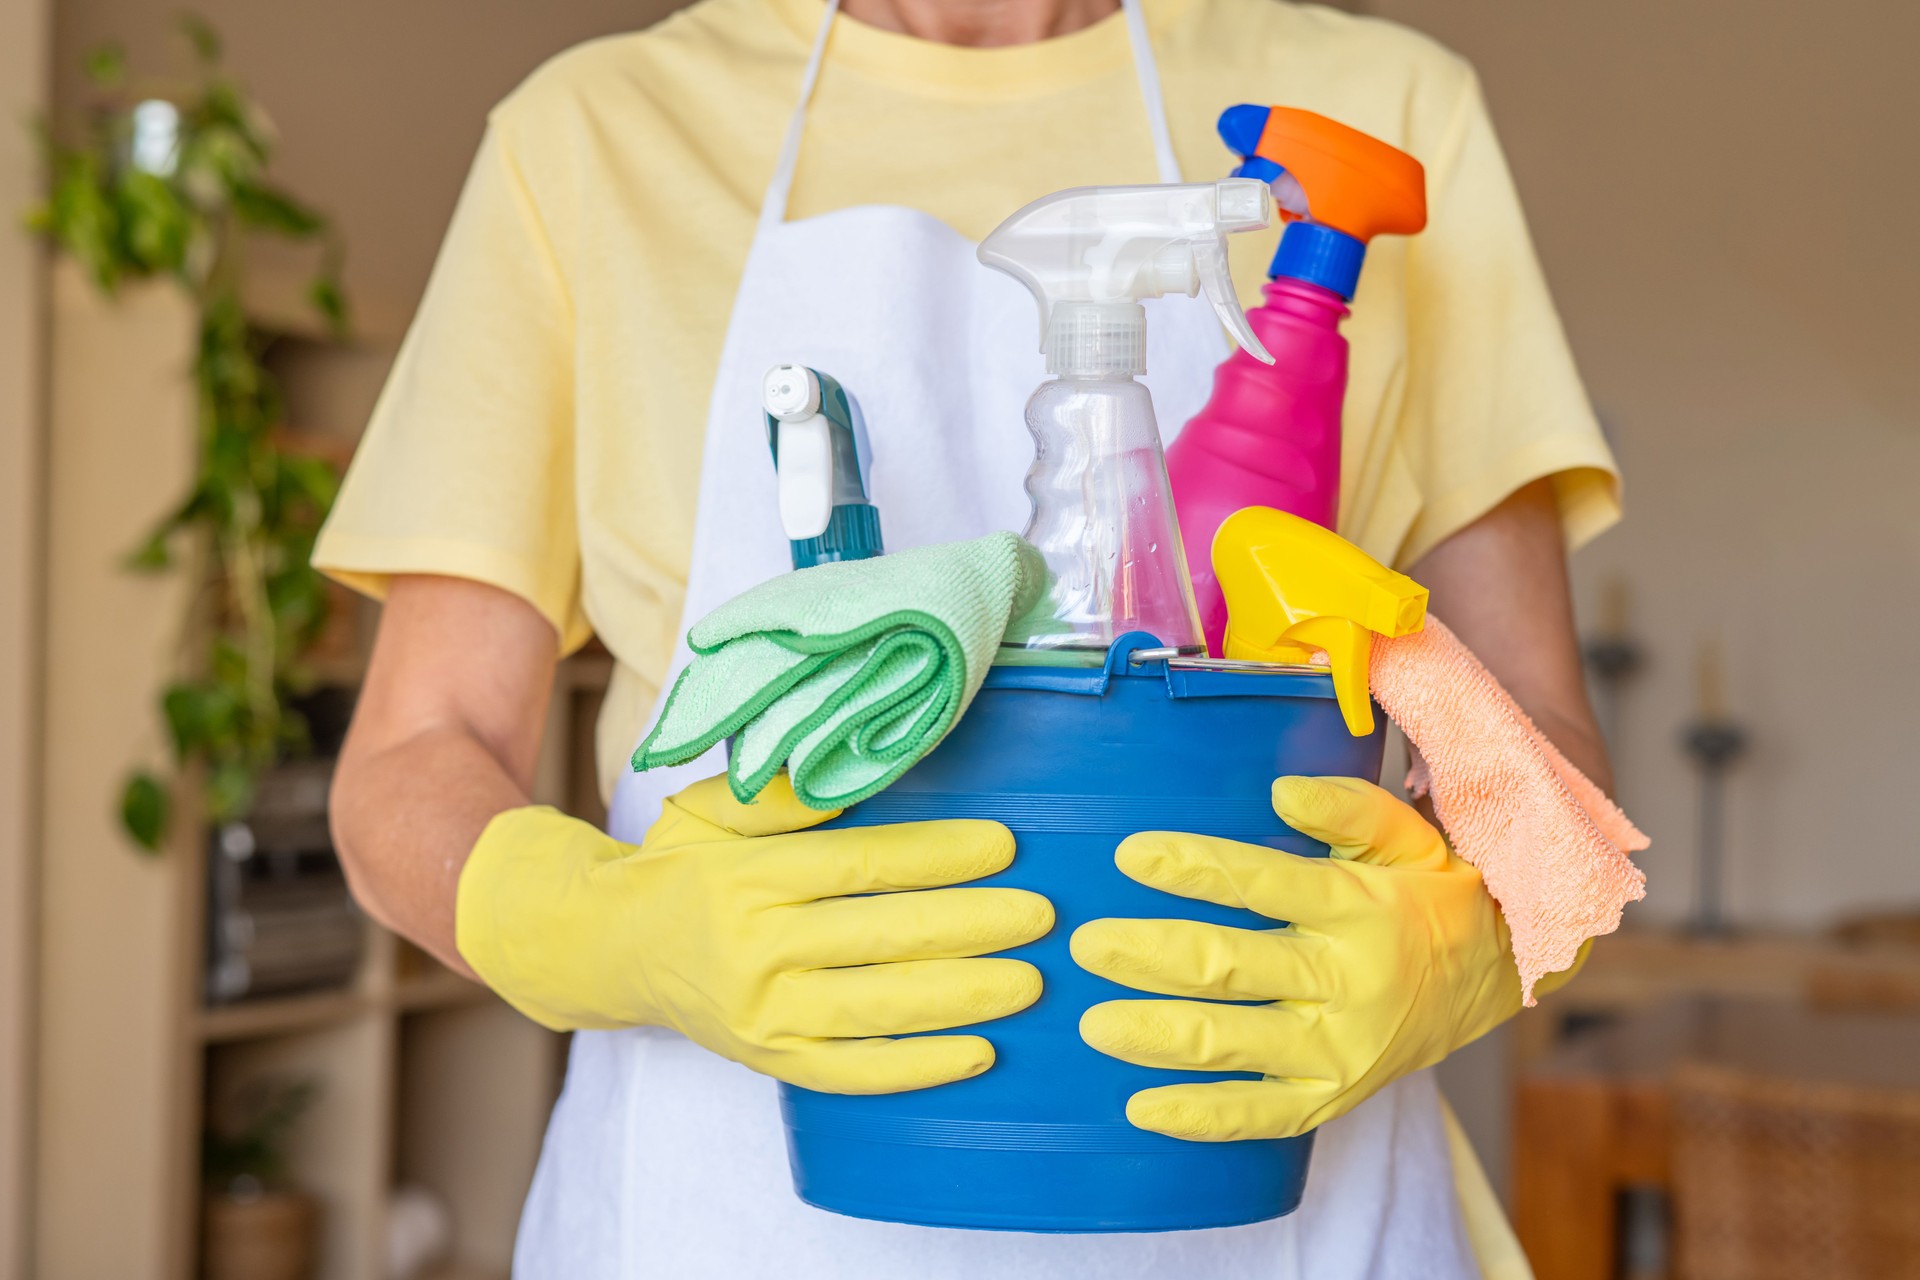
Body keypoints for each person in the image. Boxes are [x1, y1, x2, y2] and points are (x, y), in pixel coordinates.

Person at [316, 0, 1621, 1274]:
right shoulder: (594, 135)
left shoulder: (1386, 110)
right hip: (722, 1216)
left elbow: (1539, 741)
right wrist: (607, 926)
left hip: (1279, 1204)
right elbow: (419, 753)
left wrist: (1473, 942)